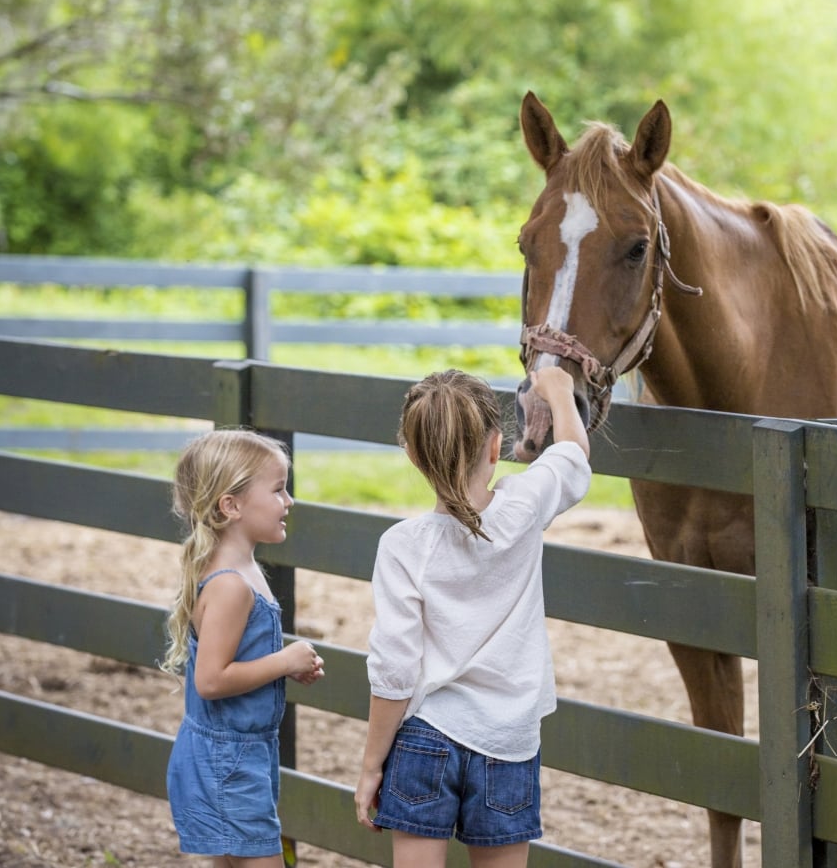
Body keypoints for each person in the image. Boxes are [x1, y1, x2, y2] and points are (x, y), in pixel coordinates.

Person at [355, 365, 591, 868]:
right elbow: (572, 456)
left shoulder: (401, 547)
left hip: (424, 739)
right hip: (508, 743)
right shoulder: (523, 507)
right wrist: (559, 390)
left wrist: (372, 765)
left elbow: (394, 671)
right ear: (494, 447)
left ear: (413, 455)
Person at [161, 428, 324, 867]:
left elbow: (236, 659)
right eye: (277, 490)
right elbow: (211, 680)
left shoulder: (240, 567)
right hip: (227, 761)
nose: (288, 501)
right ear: (230, 506)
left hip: (236, 754)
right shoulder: (232, 585)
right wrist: (283, 659)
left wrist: (283, 667)